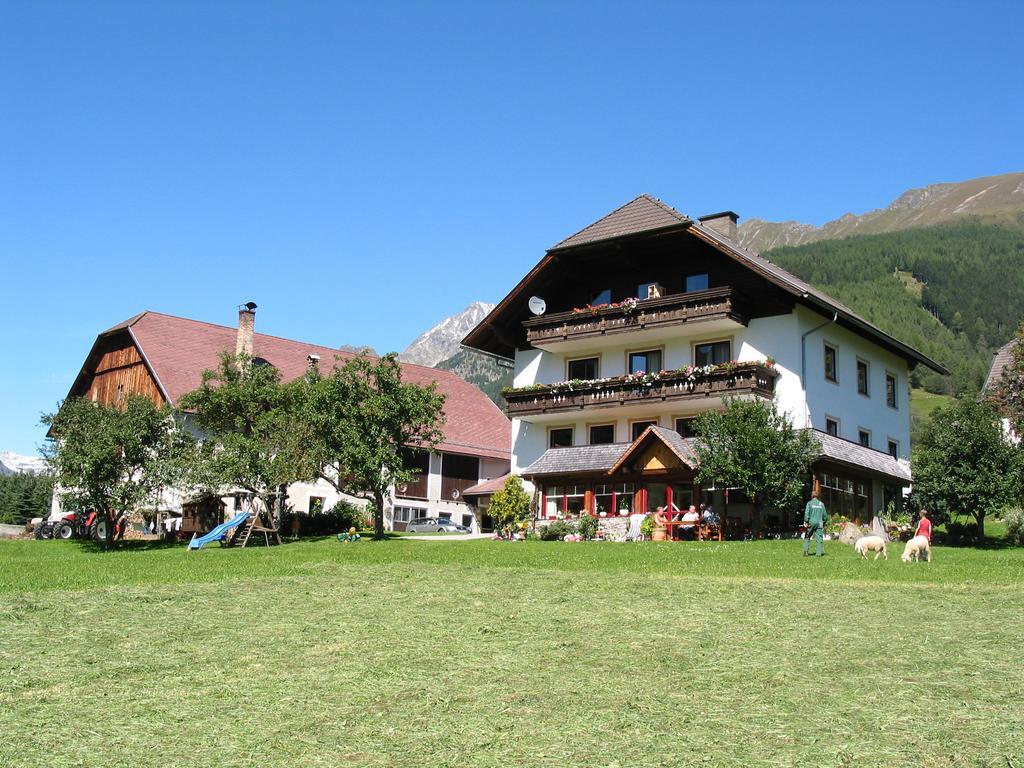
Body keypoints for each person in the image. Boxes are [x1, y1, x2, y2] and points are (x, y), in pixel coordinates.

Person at [802, 489, 828, 557]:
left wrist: (806, 521)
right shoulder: (821, 504)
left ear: (812, 496)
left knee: (807, 536)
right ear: (818, 496)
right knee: (819, 538)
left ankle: (805, 551)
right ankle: (818, 553)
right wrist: (824, 523)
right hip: (820, 522)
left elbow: (807, 514)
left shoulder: (809, 503)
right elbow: (825, 516)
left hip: (811, 522)